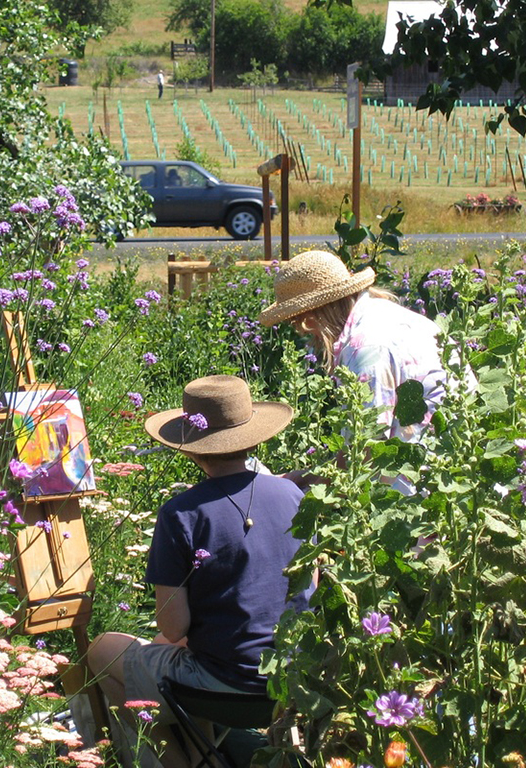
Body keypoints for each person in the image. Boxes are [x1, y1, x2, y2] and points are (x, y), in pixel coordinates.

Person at [87, 375, 311, 768]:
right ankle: (203, 753)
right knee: (185, 649)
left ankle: (188, 764)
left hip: (225, 687)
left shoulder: (181, 513)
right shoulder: (293, 495)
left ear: (192, 449)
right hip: (295, 678)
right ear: (255, 437)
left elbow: (174, 628)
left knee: (103, 650)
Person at [260, 250, 467, 490]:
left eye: (296, 321)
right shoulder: (386, 316)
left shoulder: (366, 350)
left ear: (311, 316)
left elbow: (365, 453)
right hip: (458, 473)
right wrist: (302, 477)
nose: (303, 332)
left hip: (428, 493)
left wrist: (299, 494)